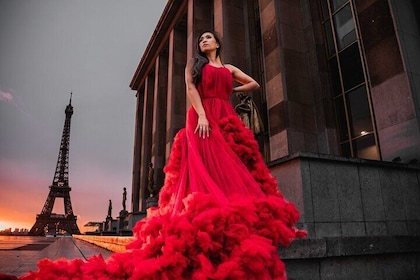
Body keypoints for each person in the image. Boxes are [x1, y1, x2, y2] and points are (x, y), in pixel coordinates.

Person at [20, 31, 305, 280]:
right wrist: (203, 115)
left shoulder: (228, 67)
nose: (204, 40)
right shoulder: (196, 65)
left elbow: (254, 84)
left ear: (218, 42)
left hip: (225, 114)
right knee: (206, 166)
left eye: (209, 37)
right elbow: (191, 89)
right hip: (203, 117)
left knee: (229, 165)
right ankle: (207, 216)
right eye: (201, 39)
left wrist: (230, 90)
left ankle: (233, 216)